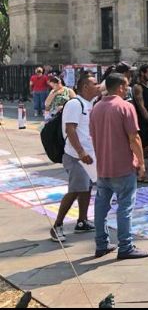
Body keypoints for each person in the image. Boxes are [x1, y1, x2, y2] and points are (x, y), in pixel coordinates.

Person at [90, 73, 148, 260]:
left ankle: (101, 244)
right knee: (125, 207)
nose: (128, 89)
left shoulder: (96, 107)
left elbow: (93, 137)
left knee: (101, 206)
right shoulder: (125, 107)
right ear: (121, 87)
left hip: (103, 166)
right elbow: (134, 138)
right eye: (126, 86)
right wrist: (141, 163)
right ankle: (125, 246)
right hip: (123, 166)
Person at [49, 73, 100, 243]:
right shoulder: (74, 104)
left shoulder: (89, 103)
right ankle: (57, 225)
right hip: (76, 156)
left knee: (86, 188)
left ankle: (82, 221)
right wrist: (81, 153)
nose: (98, 86)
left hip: (88, 155)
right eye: (95, 83)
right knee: (75, 190)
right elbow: (70, 130)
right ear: (85, 86)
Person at [133, 65, 148, 173]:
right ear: (142, 73)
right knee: (142, 145)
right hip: (141, 118)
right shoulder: (138, 87)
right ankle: (138, 167)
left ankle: (140, 165)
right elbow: (141, 106)